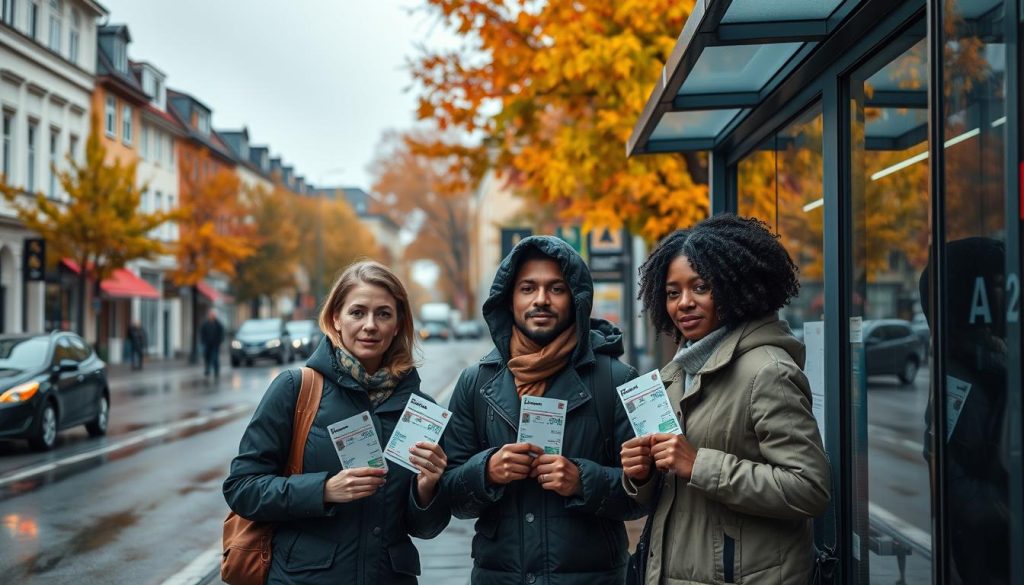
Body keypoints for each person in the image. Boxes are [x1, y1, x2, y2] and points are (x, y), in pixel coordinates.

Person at [621, 214, 830, 584]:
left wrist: (699, 464)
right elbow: (672, 489)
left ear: (735, 287)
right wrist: (643, 473)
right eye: (673, 293)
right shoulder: (678, 372)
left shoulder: (769, 371)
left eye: (700, 287)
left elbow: (809, 488)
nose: (684, 303)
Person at [223, 260, 450, 584]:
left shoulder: (420, 411)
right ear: (335, 319)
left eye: (383, 314)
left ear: (398, 324)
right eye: (357, 312)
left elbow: (425, 528)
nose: (370, 325)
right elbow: (242, 489)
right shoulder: (296, 389)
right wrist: (325, 490)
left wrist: (427, 490)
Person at [442, 235, 643, 585]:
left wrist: (583, 481)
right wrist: (486, 470)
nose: (541, 300)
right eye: (528, 288)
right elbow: (452, 497)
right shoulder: (475, 383)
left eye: (556, 289)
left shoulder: (618, 380)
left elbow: (645, 495)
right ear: (509, 299)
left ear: (576, 298)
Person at [199, 309, 224, 378]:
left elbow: (221, 333)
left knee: (215, 357)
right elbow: (202, 333)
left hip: (215, 344)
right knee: (207, 357)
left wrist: (220, 342)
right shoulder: (205, 324)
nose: (212, 316)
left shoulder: (218, 324)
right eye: (210, 315)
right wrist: (203, 341)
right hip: (207, 343)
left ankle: (216, 370)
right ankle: (207, 369)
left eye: (213, 315)